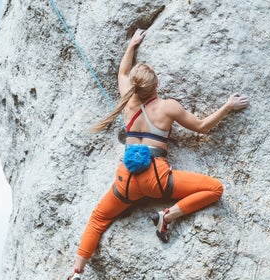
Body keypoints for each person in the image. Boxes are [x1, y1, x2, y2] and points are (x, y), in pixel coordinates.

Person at [67, 29, 249, 280]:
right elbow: (202, 127)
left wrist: (131, 45)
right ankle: (168, 215)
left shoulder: (127, 101)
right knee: (215, 188)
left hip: (127, 180)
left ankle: (76, 272)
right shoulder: (168, 107)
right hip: (157, 179)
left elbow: (121, 73)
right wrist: (228, 107)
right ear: (156, 86)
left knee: (98, 218)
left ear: (134, 86)